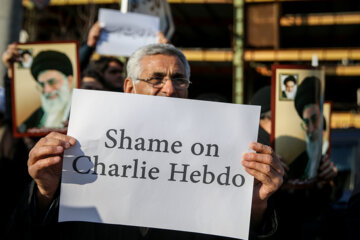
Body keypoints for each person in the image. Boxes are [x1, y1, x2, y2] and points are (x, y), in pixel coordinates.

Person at [7, 44, 284, 240]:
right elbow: (26, 231)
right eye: (156, 79)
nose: (169, 88)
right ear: (129, 88)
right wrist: (44, 192)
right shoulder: (80, 144)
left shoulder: (222, 154)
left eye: (179, 79)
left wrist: (256, 208)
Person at [250, 85, 338, 240]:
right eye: (276, 118)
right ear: (260, 120)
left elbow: (316, 212)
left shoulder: (303, 155)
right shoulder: (249, 158)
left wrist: (325, 183)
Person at [17, 50, 74, 133]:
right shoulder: (36, 117)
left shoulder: (81, 112)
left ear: (69, 81)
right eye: (42, 85)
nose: (47, 90)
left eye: (52, 82)